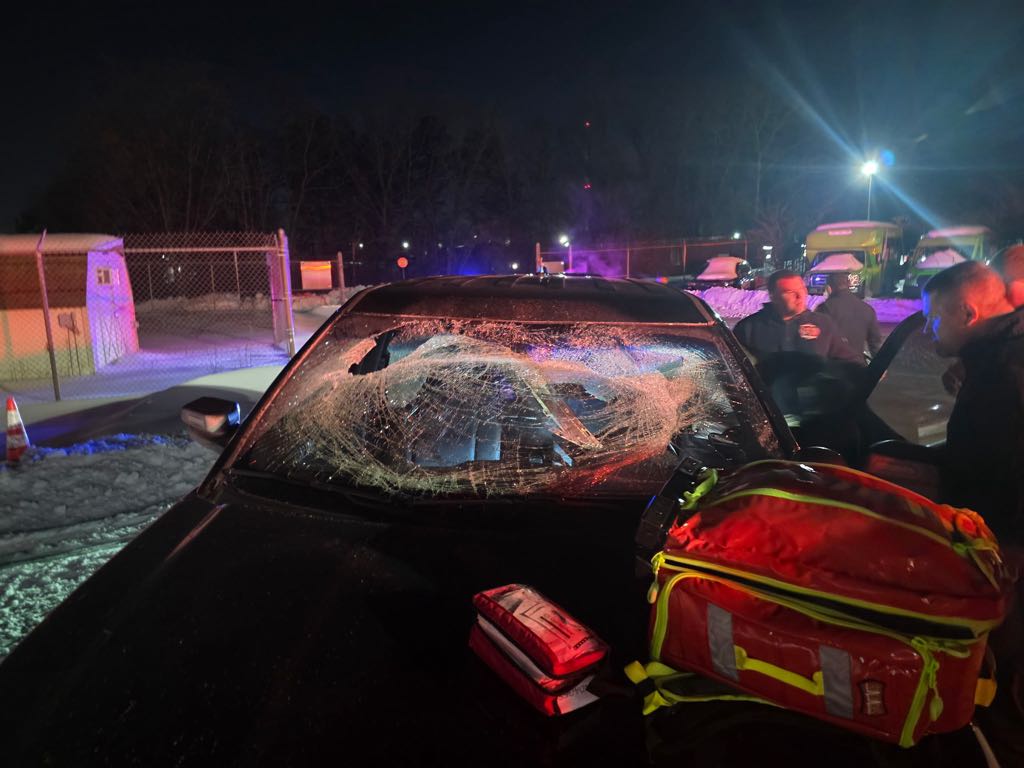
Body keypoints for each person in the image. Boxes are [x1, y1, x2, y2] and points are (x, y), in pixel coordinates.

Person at [922, 261, 1024, 762]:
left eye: (933, 318)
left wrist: (1008, 553)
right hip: (995, 535)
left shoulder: (1008, 372)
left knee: (1006, 668)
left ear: (966, 311)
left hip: (1008, 546)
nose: (927, 329)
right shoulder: (995, 359)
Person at [733, 270, 862, 365]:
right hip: (768, 399)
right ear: (773, 296)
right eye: (789, 292)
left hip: (813, 400)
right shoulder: (748, 328)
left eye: (801, 289)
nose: (800, 296)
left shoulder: (823, 323)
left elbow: (850, 361)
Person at [814, 273, 882, 360]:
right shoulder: (867, 309)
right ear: (848, 285)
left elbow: (816, 342)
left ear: (829, 288)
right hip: (856, 366)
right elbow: (875, 345)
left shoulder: (824, 308)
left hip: (831, 367)